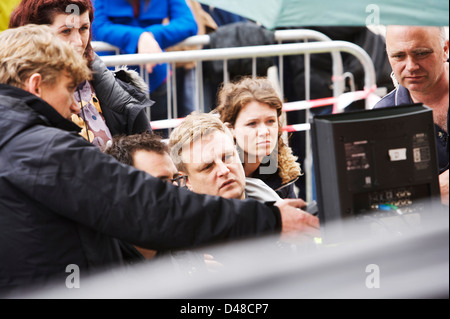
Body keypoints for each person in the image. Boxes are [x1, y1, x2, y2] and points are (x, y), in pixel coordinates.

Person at [0, 25, 319, 294]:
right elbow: (143, 204)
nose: (75, 106)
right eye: (70, 89)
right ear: (36, 85)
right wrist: (267, 222)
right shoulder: (37, 147)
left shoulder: (17, 141)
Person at [9, 0, 153, 149]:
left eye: (84, 28)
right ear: (34, 36)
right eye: (66, 31)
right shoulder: (13, 101)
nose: (78, 42)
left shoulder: (118, 92)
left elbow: (149, 160)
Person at [374, 26, 449, 206]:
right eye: (399, 56)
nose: (411, 66)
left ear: (445, 49)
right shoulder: (383, 116)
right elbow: (381, 202)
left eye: (421, 53)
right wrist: (434, 192)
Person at [91, 0, 198, 123]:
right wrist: (138, 37)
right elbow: (96, 25)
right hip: (112, 82)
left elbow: (188, 23)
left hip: (155, 80)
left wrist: (151, 35)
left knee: (160, 135)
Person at [215, 76, 302, 199]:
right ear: (230, 129)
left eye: (270, 121)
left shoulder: (282, 172)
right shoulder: (217, 174)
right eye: (252, 123)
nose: (264, 131)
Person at [169, 112, 284, 203]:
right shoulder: (186, 230)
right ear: (186, 181)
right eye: (208, 167)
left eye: (227, 157)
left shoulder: (271, 201)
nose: (224, 170)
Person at [104, 132, 184, 261]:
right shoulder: (97, 263)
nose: (177, 189)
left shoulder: (189, 253)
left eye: (176, 179)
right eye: (162, 182)